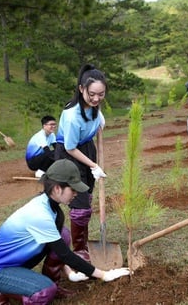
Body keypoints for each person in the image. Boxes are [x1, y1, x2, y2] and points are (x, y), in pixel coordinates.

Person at [0, 159, 130, 304]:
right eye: (73, 189)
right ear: (57, 188)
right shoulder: (40, 215)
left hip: (14, 263)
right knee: (44, 291)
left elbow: (57, 247)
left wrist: (70, 273)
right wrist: (104, 274)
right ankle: (4, 289)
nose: (76, 194)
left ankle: (14, 285)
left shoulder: (51, 207)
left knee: (63, 235)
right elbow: (65, 254)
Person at [54, 64, 108, 262]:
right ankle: (79, 249)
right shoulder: (71, 116)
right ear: (81, 89)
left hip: (86, 148)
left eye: (101, 94)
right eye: (91, 94)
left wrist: (99, 119)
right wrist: (94, 166)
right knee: (80, 201)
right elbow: (69, 147)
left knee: (88, 195)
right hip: (69, 156)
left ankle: (84, 242)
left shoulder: (94, 106)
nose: (96, 99)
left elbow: (94, 112)